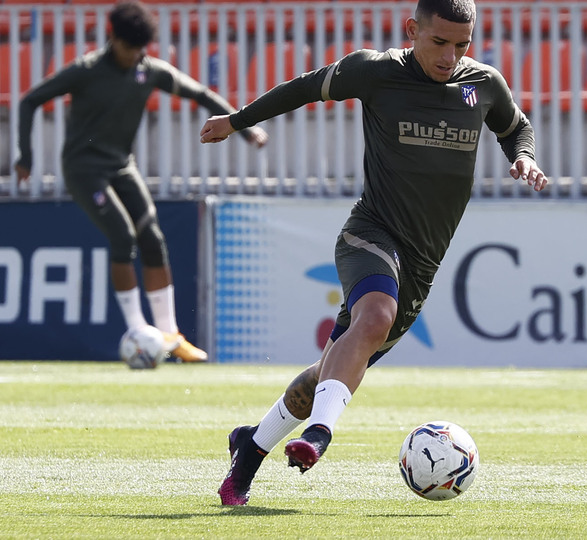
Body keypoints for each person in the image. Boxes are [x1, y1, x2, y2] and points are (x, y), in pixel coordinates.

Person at [200, 0, 547, 505]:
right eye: (439, 42)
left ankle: (248, 451)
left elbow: (515, 127)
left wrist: (524, 157)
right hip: (372, 231)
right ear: (413, 30)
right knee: (375, 318)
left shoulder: (483, 84)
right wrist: (238, 120)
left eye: (462, 45)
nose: (450, 56)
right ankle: (320, 435)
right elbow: (304, 86)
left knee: (333, 366)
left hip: (423, 262)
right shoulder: (376, 71)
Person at [14, 1, 268, 362]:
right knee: (122, 236)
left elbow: (200, 94)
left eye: (141, 48)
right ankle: (138, 332)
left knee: (152, 239)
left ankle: (170, 336)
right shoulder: (85, 71)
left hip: (121, 167)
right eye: (129, 47)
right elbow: (29, 101)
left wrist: (244, 128)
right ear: (113, 38)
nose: (136, 54)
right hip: (84, 169)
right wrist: (25, 155)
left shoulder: (148, 70)